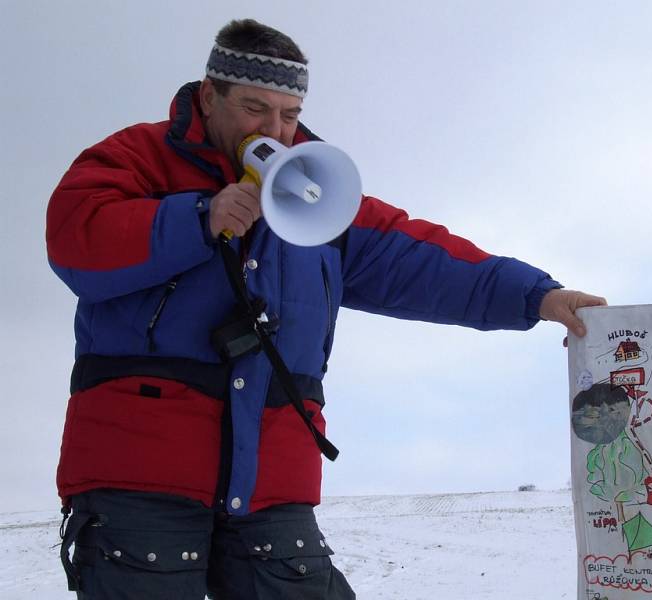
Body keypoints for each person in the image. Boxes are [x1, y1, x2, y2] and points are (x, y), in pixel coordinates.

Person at [46, 18, 606, 600]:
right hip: (139, 479)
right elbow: (73, 239)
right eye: (255, 109)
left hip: (274, 481)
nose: (276, 130)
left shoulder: (316, 190)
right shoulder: (137, 159)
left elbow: (421, 260)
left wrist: (536, 295)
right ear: (210, 96)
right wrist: (198, 220)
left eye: (289, 115)